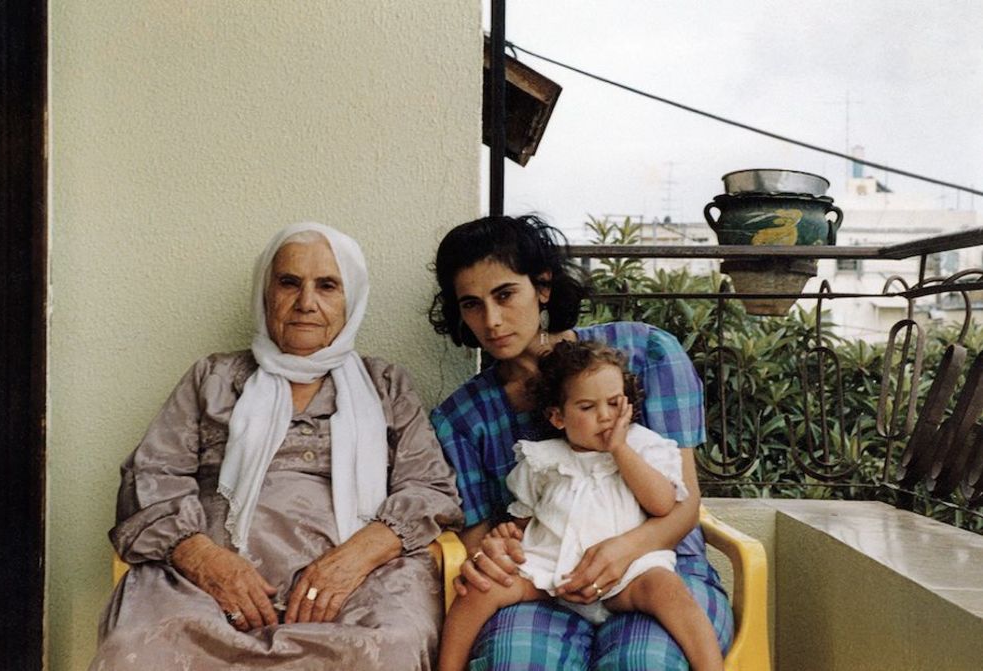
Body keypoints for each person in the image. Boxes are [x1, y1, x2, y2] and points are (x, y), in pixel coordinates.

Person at [91, 222, 463, 671]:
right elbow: (152, 475)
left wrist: (352, 561)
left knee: (391, 645)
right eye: (289, 283)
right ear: (265, 294)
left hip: (358, 583)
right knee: (139, 645)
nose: (306, 302)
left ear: (351, 300)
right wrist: (204, 560)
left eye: (327, 286)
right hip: (208, 587)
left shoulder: (385, 385)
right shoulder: (214, 378)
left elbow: (429, 489)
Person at [428, 214, 733, 670]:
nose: (491, 321)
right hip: (544, 572)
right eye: (472, 304)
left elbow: (683, 503)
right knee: (515, 660)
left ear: (542, 286)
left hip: (656, 562)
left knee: (646, 662)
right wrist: (493, 548)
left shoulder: (645, 354)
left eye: (505, 295)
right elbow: (478, 534)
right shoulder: (462, 419)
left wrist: (623, 549)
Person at [438, 340, 723, 671]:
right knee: (479, 591)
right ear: (558, 417)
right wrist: (508, 534)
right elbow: (524, 516)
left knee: (670, 591)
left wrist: (620, 450)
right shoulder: (542, 460)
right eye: (587, 407)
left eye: (614, 403)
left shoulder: (643, 447)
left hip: (629, 575)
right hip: (551, 574)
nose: (605, 416)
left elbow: (662, 504)